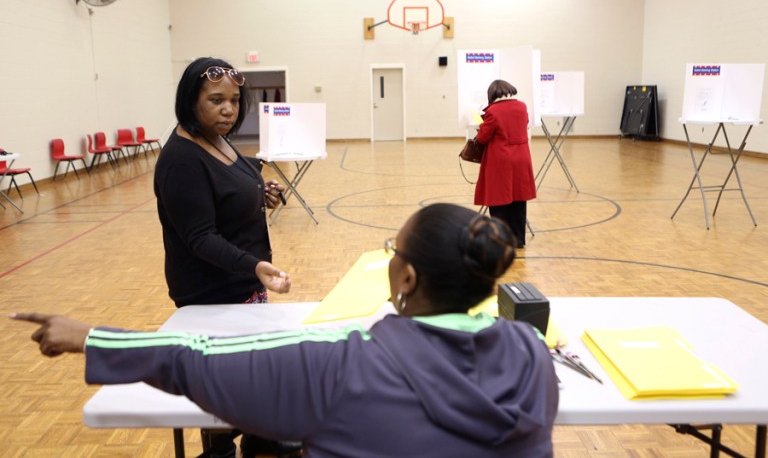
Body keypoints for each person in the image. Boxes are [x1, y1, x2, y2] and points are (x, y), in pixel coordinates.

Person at [12, 203, 559, 457]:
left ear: (407, 277)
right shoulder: (531, 352)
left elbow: (195, 359)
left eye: (393, 250)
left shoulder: (340, 365)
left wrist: (92, 337)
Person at [154, 57, 295, 457]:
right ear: (190, 101)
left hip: (243, 289)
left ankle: (257, 434)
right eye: (216, 100)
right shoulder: (181, 158)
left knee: (249, 380)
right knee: (220, 390)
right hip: (211, 295)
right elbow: (200, 236)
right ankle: (220, 447)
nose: (228, 109)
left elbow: (232, 180)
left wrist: (258, 191)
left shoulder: (217, 138)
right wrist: (255, 266)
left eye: (234, 100)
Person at [474, 79, 536, 248]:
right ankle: (519, 239)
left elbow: (482, 138)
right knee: (519, 200)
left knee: (499, 200)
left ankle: (500, 239)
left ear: (492, 94)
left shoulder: (493, 112)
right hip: (522, 158)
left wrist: (480, 125)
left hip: (501, 160)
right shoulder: (522, 107)